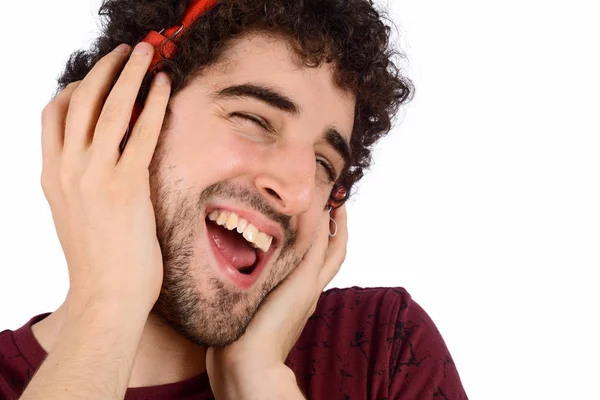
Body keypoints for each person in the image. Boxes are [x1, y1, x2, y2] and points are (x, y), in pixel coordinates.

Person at [0, 0, 467, 398]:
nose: (298, 192)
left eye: (325, 165)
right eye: (255, 120)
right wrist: (107, 304)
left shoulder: (382, 347)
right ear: (124, 116)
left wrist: (260, 381)